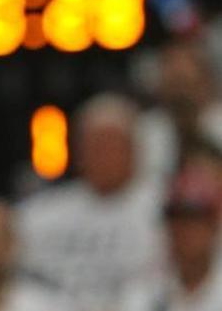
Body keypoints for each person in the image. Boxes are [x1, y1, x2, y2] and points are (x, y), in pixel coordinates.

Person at [17, 93, 163, 311]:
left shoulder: (166, 209)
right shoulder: (38, 213)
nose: (104, 156)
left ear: (135, 151)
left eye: (112, 146)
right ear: (78, 152)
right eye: (95, 145)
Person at [122, 166, 222, 311]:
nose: (184, 230)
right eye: (176, 220)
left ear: (214, 226)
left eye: (195, 219)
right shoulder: (147, 289)